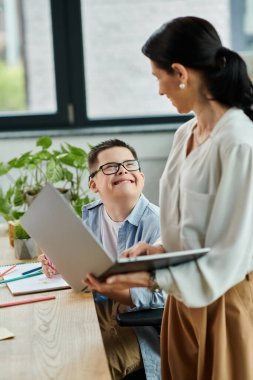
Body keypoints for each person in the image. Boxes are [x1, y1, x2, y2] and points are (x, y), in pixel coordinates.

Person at [87, 17, 253, 380]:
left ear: (180, 72)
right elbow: (195, 228)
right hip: (181, 300)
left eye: (157, 77)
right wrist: (159, 253)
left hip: (222, 303)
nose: (160, 90)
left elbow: (228, 255)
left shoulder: (239, 142)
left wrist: (148, 278)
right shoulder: (185, 134)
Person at [39, 139, 164, 380]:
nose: (123, 170)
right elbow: (85, 270)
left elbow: (167, 294)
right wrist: (62, 264)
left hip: (141, 328)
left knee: (80, 368)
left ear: (141, 176)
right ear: (93, 183)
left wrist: (111, 288)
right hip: (96, 313)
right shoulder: (91, 216)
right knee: (47, 342)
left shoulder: (160, 224)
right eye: (111, 166)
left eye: (130, 165)